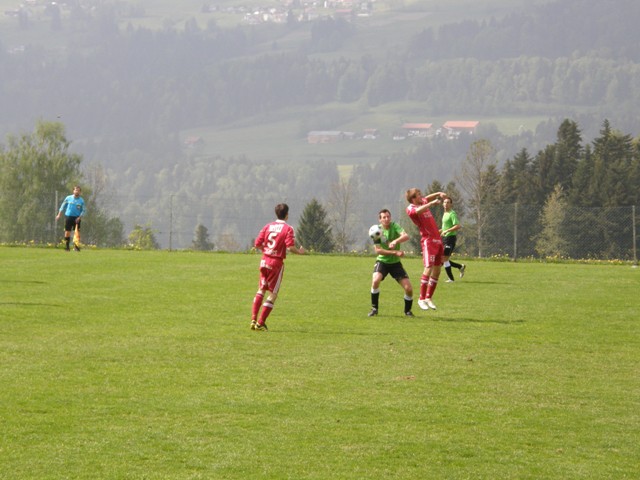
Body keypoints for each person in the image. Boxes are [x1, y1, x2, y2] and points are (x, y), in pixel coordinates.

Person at [251, 203, 305, 331]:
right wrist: (300, 252)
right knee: (273, 294)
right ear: (287, 215)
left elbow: (257, 243)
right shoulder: (288, 229)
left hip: (264, 261)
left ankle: (253, 319)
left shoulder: (268, 226)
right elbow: (290, 247)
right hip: (275, 263)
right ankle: (260, 322)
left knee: (261, 289)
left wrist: (267, 250)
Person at [368, 209, 414, 318]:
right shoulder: (377, 230)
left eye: (388, 216)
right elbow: (378, 250)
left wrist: (395, 241)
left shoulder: (395, 226)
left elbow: (406, 236)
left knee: (409, 289)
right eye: (384, 217)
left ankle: (407, 311)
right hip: (382, 261)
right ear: (380, 220)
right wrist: (394, 252)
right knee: (375, 280)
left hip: (395, 263)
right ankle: (374, 309)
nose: (386, 219)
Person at [405, 188, 446, 310]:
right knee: (428, 267)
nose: (421, 196)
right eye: (418, 195)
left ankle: (428, 298)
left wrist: (438, 193)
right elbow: (418, 211)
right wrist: (431, 204)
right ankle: (421, 299)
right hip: (428, 241)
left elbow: (427, 198)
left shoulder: (422, 201)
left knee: (437, 270)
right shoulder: (411, 208)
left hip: (437, 239)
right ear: (413, 198)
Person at [441, 197, 466, 282]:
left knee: (444, 259)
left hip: (450, 239)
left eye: (448, 202)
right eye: (444, 202)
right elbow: (444, 228)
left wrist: (447, 231)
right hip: (445, 238)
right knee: (444, 259)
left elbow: (458, 226)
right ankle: (460, 267)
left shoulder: (452, 214)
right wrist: (439, 231)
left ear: (451, 204)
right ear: (442, 204)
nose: (446, 204)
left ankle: (451, 279)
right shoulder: (445, 213)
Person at [55, 185, 85, 252]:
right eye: (76, 190)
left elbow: (83, 210)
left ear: (80, 192)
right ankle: (67, 247)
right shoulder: (68, 198)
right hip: (68, 217)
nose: (77, 191)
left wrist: (79, 217)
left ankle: (76, 247)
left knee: (77, 232)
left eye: (78, 190)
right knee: (67, 231)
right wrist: (59, 215)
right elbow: (62, 206)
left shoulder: (81, 201)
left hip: (77, 218)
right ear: (73, 191)